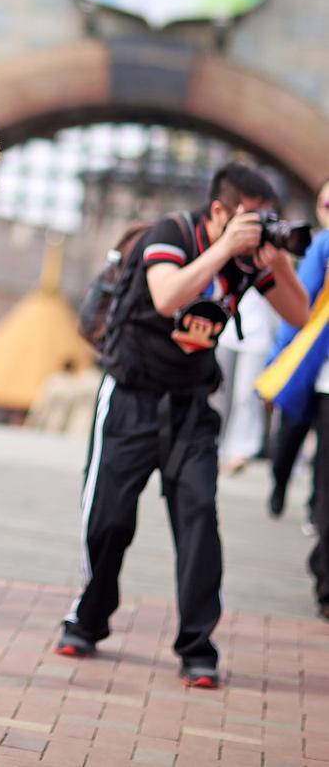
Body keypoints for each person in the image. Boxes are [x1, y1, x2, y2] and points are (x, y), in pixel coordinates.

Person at [55, 162, 309, 688]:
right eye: (250, 219)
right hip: (130, 396)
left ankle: (198, 644)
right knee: (109, 521)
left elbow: (301, 315)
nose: (255, 230)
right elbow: (167, 294)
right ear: (219, 211)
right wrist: (222, 250)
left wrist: (276, 262)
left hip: (190, 406)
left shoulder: (249, 259)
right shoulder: (171, 233)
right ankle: (89, 618)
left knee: (198, 521)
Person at [267, 180, 329, 527]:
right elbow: (299, 309)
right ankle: (282, 485)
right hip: (307, 361)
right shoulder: (322, 246)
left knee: (309, 439)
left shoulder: (323, 244)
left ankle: (312, 507)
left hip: (314, 367)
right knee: (293, 432)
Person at [214, 288, 278, 474]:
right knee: (219, 394)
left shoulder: (270, 263)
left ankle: (242, 449)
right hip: (226, 332)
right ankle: (216, 446)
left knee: (246, 396)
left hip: (257, 336)